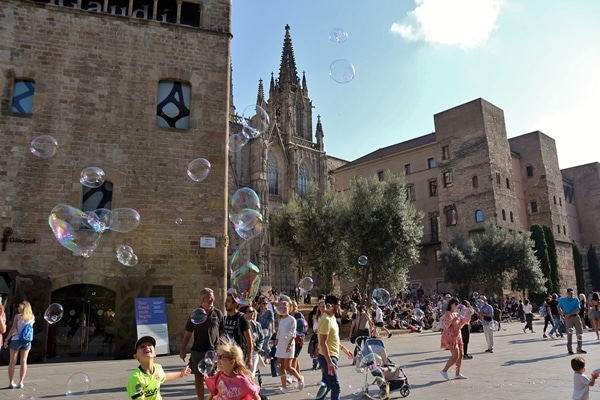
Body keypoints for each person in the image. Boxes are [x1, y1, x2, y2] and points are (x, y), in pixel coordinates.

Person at [180, 288, 224, 400]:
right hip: (198, 350)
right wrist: (182, 349)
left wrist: (221, 347)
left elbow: (222, 331)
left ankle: (212, 398)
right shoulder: (196, 314)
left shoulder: (218, 313)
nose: (212, 300)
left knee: (213, 378)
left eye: (213, 297)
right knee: (198, 377)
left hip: (213, 351)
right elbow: (188, 332)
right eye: (210, 297)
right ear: (203, 299)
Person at [126, 336, 191, 399]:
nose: (147, 347)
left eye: (149, 345)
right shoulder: (135, 377)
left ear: (155, 353)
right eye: (142, 346)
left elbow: (163, 376)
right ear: (136, 356)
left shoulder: (158, 368)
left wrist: (181, 373)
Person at [317, 294, 353, 400]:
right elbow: (323, 343)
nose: (339, 307)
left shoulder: (332, 318)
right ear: (332, 305)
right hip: (327, 357)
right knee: (335, 387)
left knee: (327, 385)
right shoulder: (326, 320)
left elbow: (333, 340)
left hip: (330, 355)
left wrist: (344, 349)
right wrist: (329, 363)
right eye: (338, 304)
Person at [274, 299, 304, 392]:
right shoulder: (280, 319)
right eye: (281, 306)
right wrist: (276, 340)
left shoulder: (292, 320)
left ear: (289, 308)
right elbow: (279, 332)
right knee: (281, 366)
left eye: (285, 306)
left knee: (288, 366)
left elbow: (293, 334)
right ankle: (284, 386)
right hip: (281, 344)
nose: (283, 308)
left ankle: (300, 379)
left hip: (289, 344)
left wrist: (289, 345)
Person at [4, 300, 35, 388]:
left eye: (19, 306)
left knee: (12, 362)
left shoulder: (17, 316)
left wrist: (6, 339)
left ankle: (11, 382)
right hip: (27, 341)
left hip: (16, 340)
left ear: (22, 308)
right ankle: (21, 382)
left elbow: (13, 329)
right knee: (24, 361)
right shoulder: (32, 317)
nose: (18, 308)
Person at [439, 298, 472, 380]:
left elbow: (463, 323)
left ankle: (457, 374)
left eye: (458, 304)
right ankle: (444, 370)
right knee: (455, 356)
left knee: (460, 356)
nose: (457, 306)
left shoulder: (456, 313)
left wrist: (469, 314)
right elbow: (452, 322)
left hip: (458, 335)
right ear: (451, 304)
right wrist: (458, 315)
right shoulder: (447, 314)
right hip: (451, 336)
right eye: (455, 304)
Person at [222, 292, 253, 368]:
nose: (225, 303)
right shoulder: (225, 318)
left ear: (235, 304)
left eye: (228, 301)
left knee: (239, 377)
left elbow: (249, 339)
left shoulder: (241, 317)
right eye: (226, 301)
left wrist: (249, 358)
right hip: (228, 354)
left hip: (239, 354)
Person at [239, 305, 264, 384]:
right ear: (244, 314)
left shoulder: (257, 325)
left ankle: (251, 392)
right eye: (250, 312)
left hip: (253, 352)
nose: (252, 313)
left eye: (253, 311)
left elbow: (261, 338)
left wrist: (258, 348)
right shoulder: (240, 325)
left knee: (251, 375)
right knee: (242, 374)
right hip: (243, 352)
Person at [559, 288, 586, 354]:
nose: (571, 294)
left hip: (575, 316)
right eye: (570, 293)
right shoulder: (563, 300)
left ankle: (579, 348)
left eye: (572, 293)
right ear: (567, 293)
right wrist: (562, 314)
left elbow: (578, 308)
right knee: (569, 334)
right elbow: (558, 307)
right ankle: (569, 349)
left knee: (579, 333)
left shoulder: (576, 299)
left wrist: (570, 314)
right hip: (568, 319)